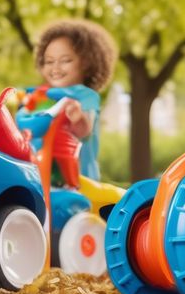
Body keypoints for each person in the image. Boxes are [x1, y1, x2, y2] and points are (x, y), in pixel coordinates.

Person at [19, 20, 117, 182]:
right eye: (49, 62)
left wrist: (78, 117)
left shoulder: (85, 95)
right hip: (43, 175)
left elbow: (84, 131)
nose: (55, 67)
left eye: (65, 60)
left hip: (80, 180)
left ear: (86, 62)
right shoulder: (41, 94)